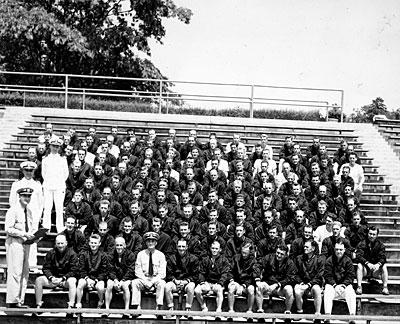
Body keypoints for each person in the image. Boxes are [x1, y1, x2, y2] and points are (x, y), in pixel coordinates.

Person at [9, 161, 44, 267]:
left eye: (31, 170)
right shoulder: (17, 184)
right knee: (20, 239)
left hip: (33, 216)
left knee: (32, 239)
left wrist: (38, 216)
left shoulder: (37, 185)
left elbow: (40, 202)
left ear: (34, 171)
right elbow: (12, 201)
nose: (28, 173)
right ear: (22, 171)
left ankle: (31, 264)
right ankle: (19, 263)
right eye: (26, 170)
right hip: (19, 216)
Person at [34, 234, 78, 316]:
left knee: (72, 281)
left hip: (65, 280)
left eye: (62, 243)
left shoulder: (72, 254)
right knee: (38, 280)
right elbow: (46, 268)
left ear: (66, 243)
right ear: (55, 243)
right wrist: (51, 277)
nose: (60, 245)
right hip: (53, 280)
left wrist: (63, 278)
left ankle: (71, 306)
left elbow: (74, 270)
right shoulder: (51, 253)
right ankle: (39, 305)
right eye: (58, 243)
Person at [5, 187, 35, 307]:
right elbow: (8, 229)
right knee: (15, 271)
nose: (27, 198)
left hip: (25, 243)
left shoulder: (29, 211)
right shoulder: (13, 210)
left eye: (29, 196)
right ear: (19, 197)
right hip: (15, 242)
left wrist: (34, 236)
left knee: (24, 273)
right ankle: (12, 300)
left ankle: (19, 301)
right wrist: (23, 234)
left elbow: (29, 228)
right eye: (24, 196)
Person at [254, 244, 296, 324]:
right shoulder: (269, 257)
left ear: (286, 254)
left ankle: (287, 313)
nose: (279, 255)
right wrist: (257, 280)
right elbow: (257, 266)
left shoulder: (289, 262)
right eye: (278, 253)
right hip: (268, 285)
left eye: (281, 254)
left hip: (280, 287)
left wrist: (278, 284)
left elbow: (291, 277)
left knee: (289, 289)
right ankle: (260, 312)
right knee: (259, 287)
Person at [131, 232, 167, 319]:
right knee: (134, 282)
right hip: (144, 279)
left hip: (155, 279)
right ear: (146, 243)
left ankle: (159, 308)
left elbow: (162, 273)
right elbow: (138, 271)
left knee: (162, 283)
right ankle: (136, 307)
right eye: (148, 241)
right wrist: (145, 281)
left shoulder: (161, 255)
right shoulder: (141, 254)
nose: (150, 243)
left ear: (156, 243)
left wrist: (152, 282)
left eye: (153, 241)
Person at [323, 238, 357, 324]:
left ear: (344, 250)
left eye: (341, 249)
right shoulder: (329, 260)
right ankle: (327, 316)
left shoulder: (348, 261)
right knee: (327, 291)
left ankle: (352, 317)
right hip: (333, 286)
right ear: (334, 249)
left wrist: (343, 285)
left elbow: (350, 276)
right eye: (337, 249)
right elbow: (328, 275)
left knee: (351, 293)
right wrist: (335, 285)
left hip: (344, 286)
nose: (339, 251)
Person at [195, 240, 231, 318]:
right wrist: (202, 282)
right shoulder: (205, 259)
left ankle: (218, 310)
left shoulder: (224, 260)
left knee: (219, 290)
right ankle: (204, 307)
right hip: (207, 282)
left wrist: (220, 283)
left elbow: (225, 273)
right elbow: (201, 272)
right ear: (210, 249)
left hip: (218, 283)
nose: (214, 250)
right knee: (197, 290)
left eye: (216, 248)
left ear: (220, 250)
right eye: (213, 248)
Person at [42, 136, 69, 232]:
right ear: (50, 146)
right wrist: (50, 182)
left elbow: (66, 174)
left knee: (59, 208)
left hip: (59, 186)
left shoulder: (62, 159)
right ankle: (46, 227)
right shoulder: (45, 159)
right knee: (47, 207)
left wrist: (59, 183)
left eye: (57, 146)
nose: (55, 148)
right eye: (53, 146)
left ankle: (60, 228)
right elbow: (43, 174)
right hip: (48, 186)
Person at [76, 234, 110, 310]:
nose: (93, 245)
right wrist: (87, 278)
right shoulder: (83, 254)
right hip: (86, 278)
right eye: (92, 243)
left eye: (95, 243)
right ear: (89, 243)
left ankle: (100, 302)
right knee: (80, 283)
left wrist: (96, 280)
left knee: (100, 287)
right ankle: (78, 304)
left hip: (98, 279)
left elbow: (104, 271)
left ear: (99, 243)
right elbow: (81, 269)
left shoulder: (103, 255)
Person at [294, 240, 324, 324]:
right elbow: (295, 273)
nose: (304, 248)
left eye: (307, 247)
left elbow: (319, 276)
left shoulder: (319, 259)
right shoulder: (299, 258)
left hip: (314, 284)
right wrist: (300, 282)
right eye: (304, 246)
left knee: (317, 289)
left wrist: (309, 284)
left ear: (313, 248)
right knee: (297, 290)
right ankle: (299, 311)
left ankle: (317, 314)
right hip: (302, 283)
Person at [165, 238, 199, 314]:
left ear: (187, 247)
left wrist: (185, 281)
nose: (181, 248)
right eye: (179, 246)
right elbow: (169, 273)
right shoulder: (171, 258)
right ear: (176, 247)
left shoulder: (193, 259)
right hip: (175, 282)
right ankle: (170, 308)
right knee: (167, 286)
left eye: (183, 246)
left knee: (191, 286)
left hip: (187, 282)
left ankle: (188, 308)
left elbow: (195, 275)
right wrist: (175, 280)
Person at [104, 237, 136, 318]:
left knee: (125, 286)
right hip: (115, 278)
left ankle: (126, 310)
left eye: (121, 245)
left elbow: (131, 270)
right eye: (117, 245)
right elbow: (110, 269)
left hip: (126, 278)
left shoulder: (130, 255)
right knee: (109, 285)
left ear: (124, 245)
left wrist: (122, 281)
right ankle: (107, 309)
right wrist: (115, 280)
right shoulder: (111, 255)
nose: (119, 247)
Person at [355, 227, 389, 295]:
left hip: (375, 270)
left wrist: (378, 264)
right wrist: (367, 263)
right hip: (365, 270)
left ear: (377, 235)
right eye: (370, 234)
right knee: (359, 265)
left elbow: (383, 257)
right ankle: (359, 287)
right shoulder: (362, 243)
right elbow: (359, 256)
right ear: (367, 234)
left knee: (384, 266)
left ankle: (385, 287)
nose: (372, 236)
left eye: (374, 234)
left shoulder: (380, 245)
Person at [227, 242, 256, 315]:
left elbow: (252, 276)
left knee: (251, 289)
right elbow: (230, 270)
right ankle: (231, 311)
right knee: (231, 288)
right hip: (237, 282)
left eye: (246, 253)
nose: (244, 254)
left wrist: (244, 285)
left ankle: (249, 311)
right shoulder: (236, 258)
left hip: (247, 284)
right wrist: (231, 280)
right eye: (242, 252)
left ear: (249, 252)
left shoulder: (253, 261)